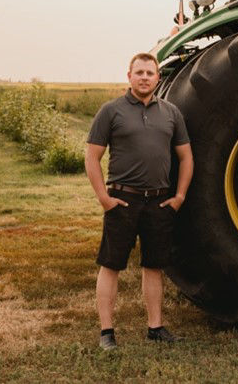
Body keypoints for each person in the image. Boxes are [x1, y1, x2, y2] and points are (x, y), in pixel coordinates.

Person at [85, 52, 193, 350]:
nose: (145, 78)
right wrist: (104, 198)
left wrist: (180, 195)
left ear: (158, 78)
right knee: (111, 265)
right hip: (122, 199)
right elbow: (92, 156)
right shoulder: (111, 111)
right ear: (129, 76)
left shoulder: (171, 113)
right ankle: (107, 332)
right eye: (140, 73)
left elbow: (186, 157)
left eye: (150, 73)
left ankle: (155, 327)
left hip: (158, 201)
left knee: (154, 266)